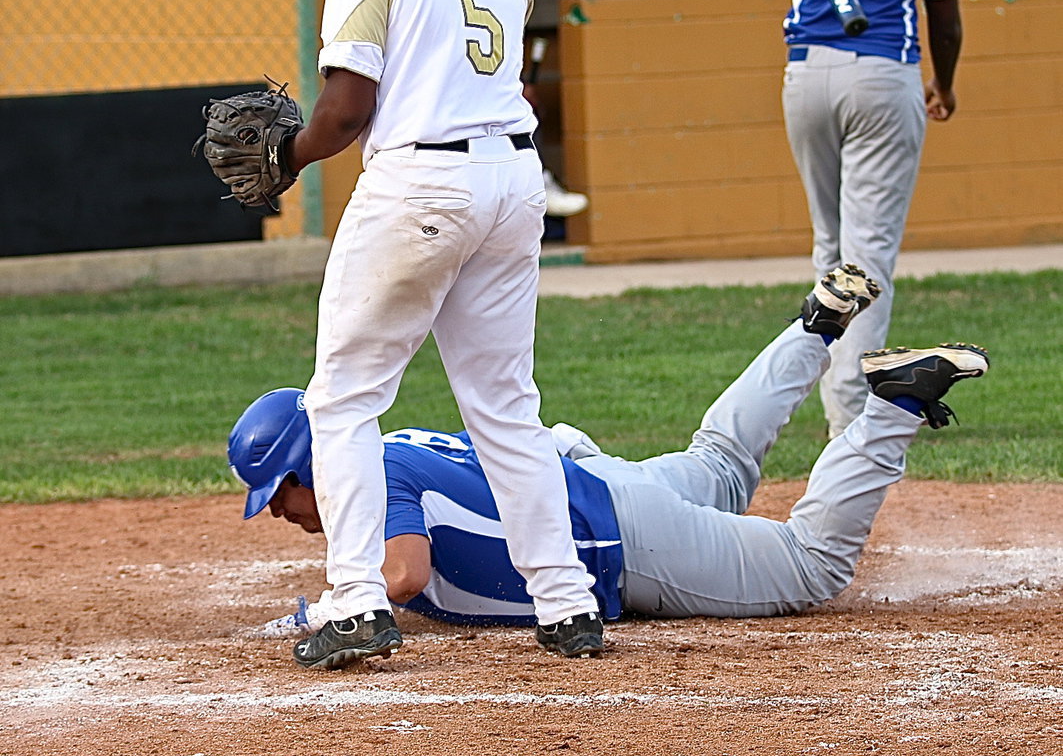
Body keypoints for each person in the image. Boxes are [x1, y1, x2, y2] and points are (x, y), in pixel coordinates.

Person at [279, 0, 604, 668]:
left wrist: (289, 154)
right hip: (512, 181)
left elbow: (346, 110)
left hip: (423, 180)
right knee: (505, 403)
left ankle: (354, 603)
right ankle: (566, 603)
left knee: (343, 397)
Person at [228, 266, 989, 633]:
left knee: (811, 565)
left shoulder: (378, 471)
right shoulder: (398, 443)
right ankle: (813, 328)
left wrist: (322, 612)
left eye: (280, 496)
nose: (283, 516)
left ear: (313, 464)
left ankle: (893, 404)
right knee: (719, 465)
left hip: (622, 540)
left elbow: (402, 574)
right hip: (600, 485)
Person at [688, 0, 963, 439]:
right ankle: (850, 423)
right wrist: (945, 83)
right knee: (866, 255)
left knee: (829, 250)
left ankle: (808, 397)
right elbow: (945, 18)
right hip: (883, 75)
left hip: (806, 74)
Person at [468, 0, 588, 220]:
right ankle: (538, 181)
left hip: (489, 96)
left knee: (524, 107)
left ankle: (540, 180)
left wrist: (520, 86)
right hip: (453, 110)